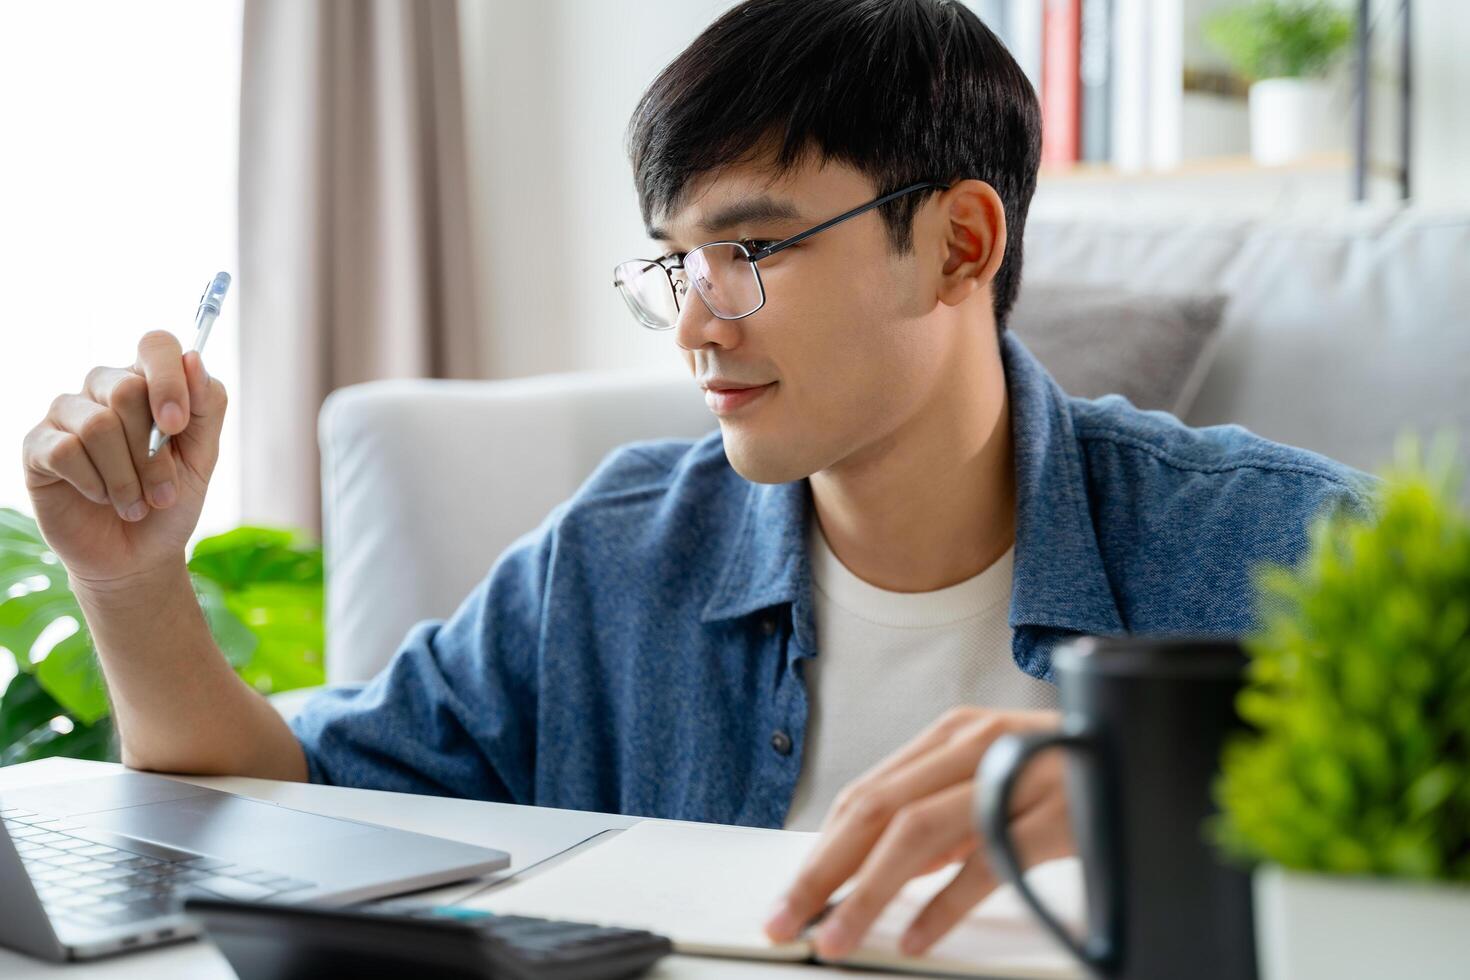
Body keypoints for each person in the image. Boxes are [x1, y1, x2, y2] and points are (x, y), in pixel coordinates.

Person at [20, 0, 1375, 959]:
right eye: (674, 263)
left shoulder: (1283, 544)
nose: (693, 322)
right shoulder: (621, 555)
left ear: (960, 243)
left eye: (751, 251)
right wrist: (128, 576)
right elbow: (289, 800)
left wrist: (1158, 783)